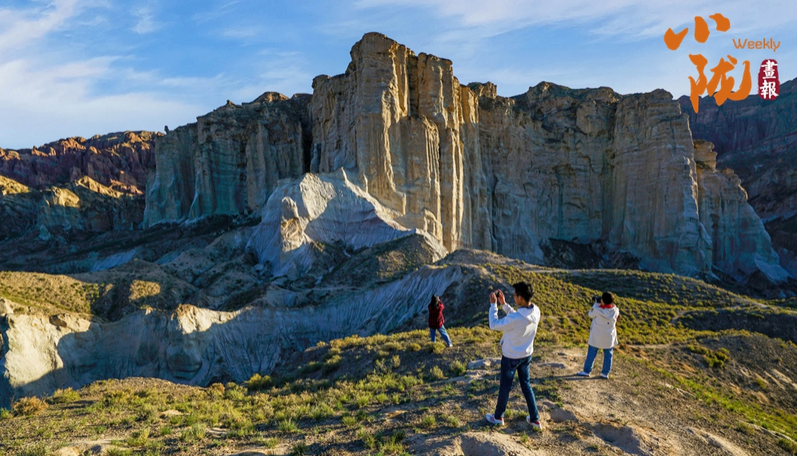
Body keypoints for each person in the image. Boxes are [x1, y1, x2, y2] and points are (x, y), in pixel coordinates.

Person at [485, 282, 542, 431]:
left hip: (511, 356)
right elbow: (517, 317)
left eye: (515, 295)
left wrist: (494, 306)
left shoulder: (516, 318)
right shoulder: (536, 311)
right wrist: (504, 305)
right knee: (526, 385)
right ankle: (535, 419)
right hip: (526, 354)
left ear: (521, 298)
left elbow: (494, 324)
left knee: (505, 387)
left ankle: (498, 417)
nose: (514, 296)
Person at [576, 292, 619, 379]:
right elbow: (614, 311)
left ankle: (586, 371)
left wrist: (596, 303)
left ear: (602, 300)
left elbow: (590, 314)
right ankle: (605, 373)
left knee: (591, 353)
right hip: (609, 337)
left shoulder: (597, 309)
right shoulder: (615, 310)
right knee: (608, 355)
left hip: (597, 336)